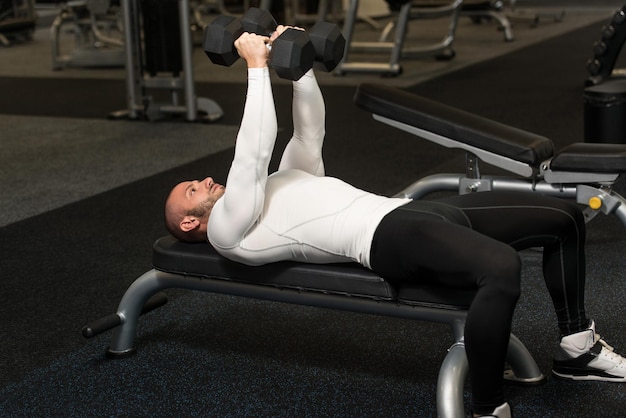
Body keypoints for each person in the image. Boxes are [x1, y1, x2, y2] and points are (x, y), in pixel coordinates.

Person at [164, 28, 626, 417]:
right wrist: (256, 67)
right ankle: (488, 406)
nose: (205, 181)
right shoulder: (228, 231)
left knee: (563, 218)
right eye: (193, 189)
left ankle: (577, 348)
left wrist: (299, 67)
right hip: (385, 238)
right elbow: (251, 153)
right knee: (500, 268)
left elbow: (308, 132)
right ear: (189, 224)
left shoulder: (278, 183)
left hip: (409, 211)